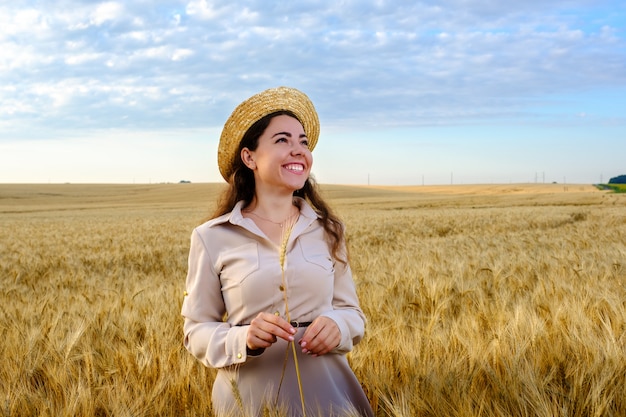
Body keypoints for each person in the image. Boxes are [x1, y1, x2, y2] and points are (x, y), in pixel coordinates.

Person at [181, 86, 374, 417]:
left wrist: (337, 327)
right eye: (283, 140)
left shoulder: (329, 230)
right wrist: (244, 339)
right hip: (249, 402)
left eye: (303, 142)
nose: (298, 150)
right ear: (250, 157)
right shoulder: (212, 237)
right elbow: (196, 331)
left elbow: (353, 314)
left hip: (328, 397)